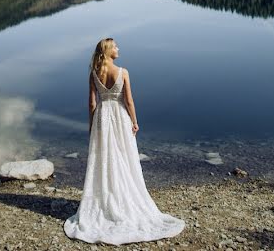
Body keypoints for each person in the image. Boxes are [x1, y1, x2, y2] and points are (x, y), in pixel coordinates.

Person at [63, 38, 185, 245]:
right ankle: (122, 198)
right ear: (109, 51)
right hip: (119, 118)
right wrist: (135, 122)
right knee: (124, 156)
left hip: (102, 117)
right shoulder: (123, 72)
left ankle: (106, 199)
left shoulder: (93, 73)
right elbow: (129, 101)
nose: (118, 49)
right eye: (116, 46)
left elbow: (92, 103)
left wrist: (92, 126)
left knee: (104, 158)